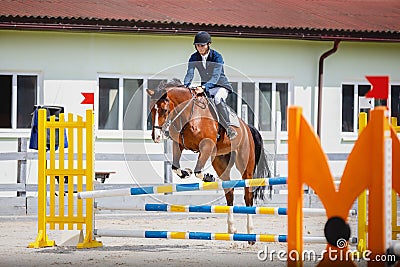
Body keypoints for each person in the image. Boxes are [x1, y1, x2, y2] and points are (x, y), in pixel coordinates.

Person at [183, 31, 237, 140]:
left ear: (209, 44)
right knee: (197, 100)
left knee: (217, 99)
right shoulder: (194, 57)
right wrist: (185, 86)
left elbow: (215, 77)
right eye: (197, 46)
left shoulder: (217, 57)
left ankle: (228, 127)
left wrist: (203, 87)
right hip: (207, 88)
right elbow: (190, 73)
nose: (200, 48)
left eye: (202, 45)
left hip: (220, 86)